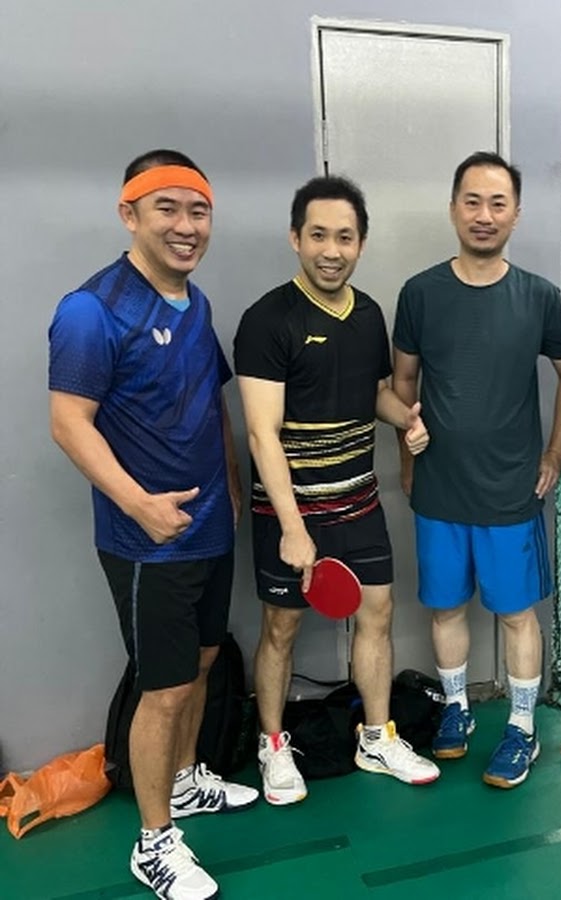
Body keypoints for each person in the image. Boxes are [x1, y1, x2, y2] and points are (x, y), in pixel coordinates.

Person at [49, 149, 258, 900]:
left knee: (201, 662)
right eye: (166, 208)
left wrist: (230, 482)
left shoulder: (196, 303)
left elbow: (212, 403)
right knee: (162, 689)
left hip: (209, 528)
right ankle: (154, 842)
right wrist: (139, 504)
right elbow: (69, 423)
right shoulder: (91, 310)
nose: (186, 226)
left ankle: (187, 778)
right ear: (129, 213)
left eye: (198, 211)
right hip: (147, 543)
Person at [233, 175, 440, 804]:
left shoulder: (368, 314)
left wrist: (407, 418)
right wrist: (293, 529)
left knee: (378, 613)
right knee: (281, 628)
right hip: (290, 513)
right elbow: (262, 433)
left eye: (345, 237)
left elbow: (374, 392)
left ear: (361, 243)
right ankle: (273, 746)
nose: (332, 250)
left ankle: (376, 736)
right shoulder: (267, 321)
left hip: (359, 503)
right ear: (295, 238)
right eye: (318, 235)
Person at [392, 151, 561, 789]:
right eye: (472, 201)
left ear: (516, 214)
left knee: (517, 615)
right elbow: (403, 383)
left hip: (509, 490)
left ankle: (522, 726)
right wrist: (407, 458)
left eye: (498, 203)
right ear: (453, 208)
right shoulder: (420, 293)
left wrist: (555, 452)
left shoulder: (539, 296)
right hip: (439, 488)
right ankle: (457, 709)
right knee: (444, 608)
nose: (484, 214)